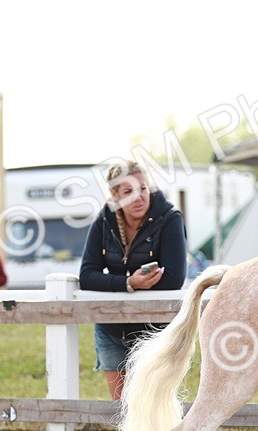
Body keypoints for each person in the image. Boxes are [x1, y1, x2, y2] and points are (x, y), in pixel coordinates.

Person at [79, 160, 186, 400]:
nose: (138, 197)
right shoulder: (104, 220)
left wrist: (117, 284)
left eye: (143, 188)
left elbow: (173, 279)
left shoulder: (169, 218)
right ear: (115, 195)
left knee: (151, 404)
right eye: (128, 192)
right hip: (111, 326)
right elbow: (86, 276)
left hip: (153, 328)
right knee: (120, 407)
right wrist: (130, 283)